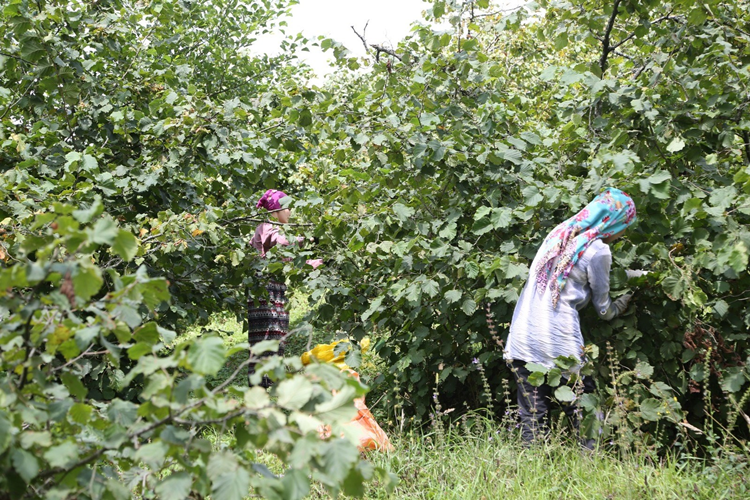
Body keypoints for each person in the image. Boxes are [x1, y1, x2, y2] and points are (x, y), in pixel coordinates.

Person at [504, 187, 638, 446]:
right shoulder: (599, 250)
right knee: (583, 410)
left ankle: (529, 471)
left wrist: (629, 274)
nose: (624, 233)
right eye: (625, 225)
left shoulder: (559, 234)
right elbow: (604, 309)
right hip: (558, 337)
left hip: (523, 333)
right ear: (614, 221)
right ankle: (593, 466)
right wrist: (624, 301)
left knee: (533, 413)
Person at [248, 189, 322, 387]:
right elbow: (282, 243)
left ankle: (271, 384)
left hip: (277, 291)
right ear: (275, 211)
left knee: (278, 335)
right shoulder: (266, 228)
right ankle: (259, 388)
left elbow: (297, 261)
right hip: (263, 291)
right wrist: (308, 239)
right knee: (266, 337)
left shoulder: (279, 230)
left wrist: (322, 262)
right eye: (287, 208)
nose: (290, 212)